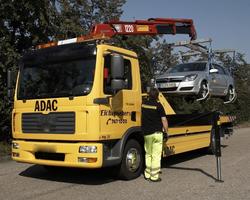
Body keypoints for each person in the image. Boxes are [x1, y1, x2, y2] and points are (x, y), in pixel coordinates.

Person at [141, 87, 168, 182]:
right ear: (157, 96)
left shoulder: (143, 104)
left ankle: (147, 174)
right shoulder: (159, 105)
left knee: (148, 154)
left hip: (147, 134)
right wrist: (166, 131)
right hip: (157, 133)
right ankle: (154, 176)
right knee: (156, 155)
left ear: (149, 95)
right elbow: (164, 120)